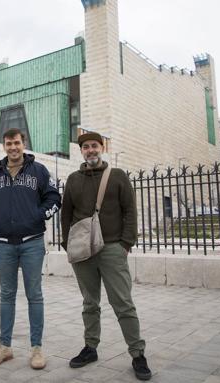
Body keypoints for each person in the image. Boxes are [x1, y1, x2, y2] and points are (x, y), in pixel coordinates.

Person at [60, 131, 152, 381]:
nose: (90, 150)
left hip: (112, 248)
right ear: (81, 151)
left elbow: (130, 211)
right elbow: (65, 214)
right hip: (83, 252)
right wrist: (66, 243)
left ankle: (137, 353)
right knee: (90, 303)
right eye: (86, 147)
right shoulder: (73, 179)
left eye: (94, 146)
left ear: (102, 148)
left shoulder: (118, 176)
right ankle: (90, 348)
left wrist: (125, 243)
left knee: (123, 303)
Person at [0, 128, 61, 370]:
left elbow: (55, 198)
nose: (13, 147)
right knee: (6, 295)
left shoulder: (38, 171)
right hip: (3, 244)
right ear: (4, 146)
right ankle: (5, 347)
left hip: (32, 243)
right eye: (8, 143)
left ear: (23, 143)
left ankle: (36, 349)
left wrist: (37, 216)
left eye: (17, 143)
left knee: (34, 295)